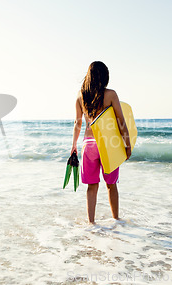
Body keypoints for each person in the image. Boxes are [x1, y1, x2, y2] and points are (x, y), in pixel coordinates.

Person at [71, 61, 131, 224]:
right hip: (108, 144)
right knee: (111, 184)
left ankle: (91, 223)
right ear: (105, 76)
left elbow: (78, 124)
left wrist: (74, 146)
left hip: (88, 144)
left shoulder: (80, 95)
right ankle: (116, 220)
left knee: (92, 186)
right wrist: (127, 145)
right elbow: (121, 123)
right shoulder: (111, 95)